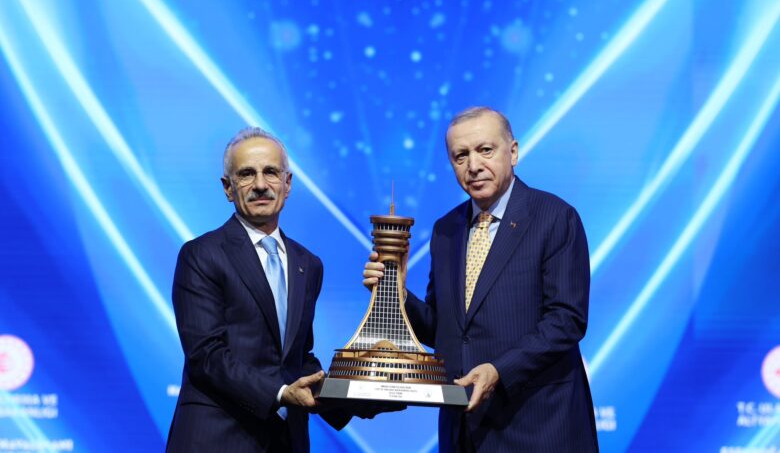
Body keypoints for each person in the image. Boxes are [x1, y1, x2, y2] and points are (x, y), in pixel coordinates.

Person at [364, 107, 598, 452]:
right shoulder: (446, 230)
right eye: (460, 156)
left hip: (537, 426)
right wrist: (398, 296)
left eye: (485, 150)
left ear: (513, 152)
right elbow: (445, 332)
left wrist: (499, 370)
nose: (473, 165)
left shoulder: (554, 218)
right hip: (463, 431)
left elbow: (566, 320)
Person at [167, 127, 349, 452]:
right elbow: (206, 355)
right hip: (217, 439)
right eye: (247, 174)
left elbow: (297, 357)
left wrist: (355, 395)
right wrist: (281, 393)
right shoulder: (201, 255)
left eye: (271, 172)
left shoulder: (308, 264)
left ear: (287, 184)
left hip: (286, 441)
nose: (261, 184)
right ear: (228, 188)